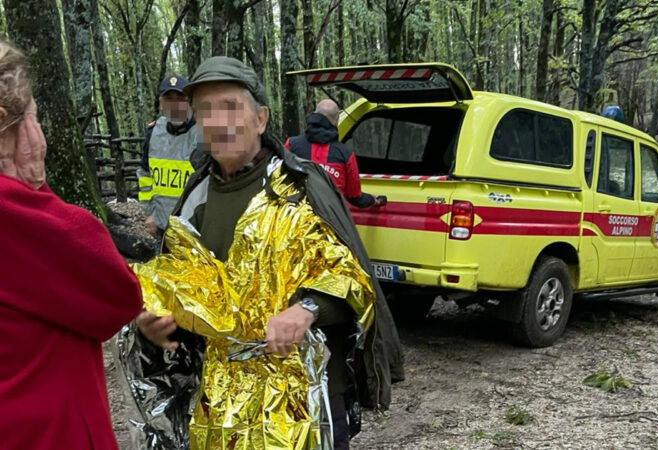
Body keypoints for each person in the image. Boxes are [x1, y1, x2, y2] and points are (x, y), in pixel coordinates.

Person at [120, 56, 403, 450]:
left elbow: (355, 281)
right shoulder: (193, 202)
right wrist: (155, 328)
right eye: (206, 112)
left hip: (310, 396)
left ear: (261, 119)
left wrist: (307, 307)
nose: (219, 121)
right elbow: (184, 297)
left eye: (230, 108)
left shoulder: (303, 188)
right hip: (225, 404)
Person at [0, 39, 143, 450]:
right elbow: (119, 298)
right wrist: (33, 185)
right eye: (34, 118)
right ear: (16, 128)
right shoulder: (38, 228)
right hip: (42, 434)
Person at [286, 99, 384, 208]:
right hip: (332, 221)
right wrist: (374, 201)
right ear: (336, 121)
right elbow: (355, 197)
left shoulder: (291, 145)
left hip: (296, 219)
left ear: (314, 115)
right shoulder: (345, 154)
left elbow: (279, 181)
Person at [137, 75, 198, 237]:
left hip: (197, 230)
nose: (175, 105)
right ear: (161, 103)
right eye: (168, 99)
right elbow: (145, 176)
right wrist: (149, 213)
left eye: (180, 98)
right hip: (162, 227)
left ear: (190, 102)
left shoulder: (204, 134)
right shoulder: (154, 133)